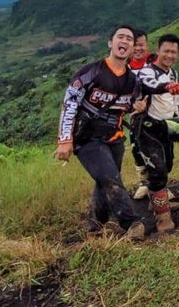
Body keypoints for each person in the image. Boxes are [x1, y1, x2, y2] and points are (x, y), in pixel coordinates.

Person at [54, 25, 146, 240]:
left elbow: (127, 107)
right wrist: (65, 140)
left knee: (103, 181)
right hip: (87, 139)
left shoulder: (132, 81)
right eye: (120, 37)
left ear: (132, 47)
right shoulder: (90, 72)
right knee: (112, 180)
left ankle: (95, 226)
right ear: (110, 43)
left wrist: (137, 108)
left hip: (114, 139)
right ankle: (132, 223)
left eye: (129, 39)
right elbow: (69, 104)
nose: (124, 42)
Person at [133, 34, 179, 233]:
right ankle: (163, 218)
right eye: (166, 51)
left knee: (168, 164)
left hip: (166, 126)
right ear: (158, 50)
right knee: (157, 169)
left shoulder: (173, 73)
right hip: (147, 127)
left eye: (173, 52)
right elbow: (150, 85)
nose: (170, 55)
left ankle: (157, 201)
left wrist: (177, 119)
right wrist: (166, 87)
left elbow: (174, 101)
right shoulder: (147, 71)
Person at [128, 30, 151, 200]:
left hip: (156, 115)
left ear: (146, 45)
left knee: (161, 149)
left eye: (141, 44)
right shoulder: (125, 67)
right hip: (133, 117)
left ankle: (161, 184)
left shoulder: (155, 63)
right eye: (135, 45)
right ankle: (143, 183)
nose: (138, 48)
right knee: (136, 149)